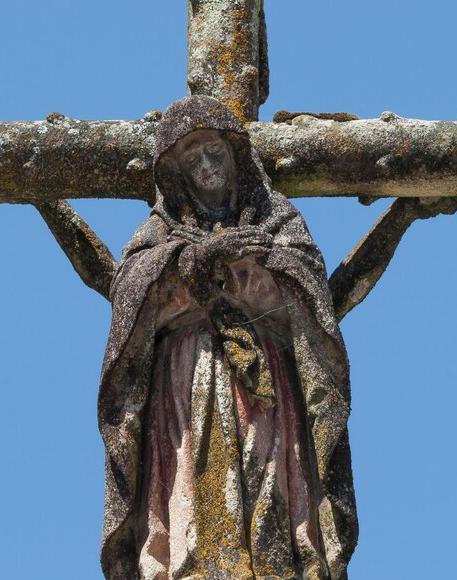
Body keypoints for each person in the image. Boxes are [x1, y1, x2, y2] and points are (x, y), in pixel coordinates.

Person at [98, 96, 357, 579]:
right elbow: (131, 293)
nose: (206, 163)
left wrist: (262, 270)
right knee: (192, 478)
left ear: (235, 152)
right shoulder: (160, 230)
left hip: (269, 379)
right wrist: (193, 264)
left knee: (268, 478)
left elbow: (310, 291)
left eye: (213, 148)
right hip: (186, 374)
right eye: (191, 155)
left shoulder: (275, 219)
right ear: (175, 170)